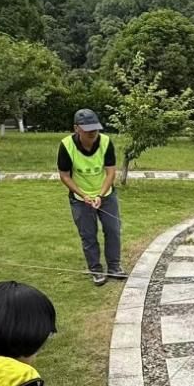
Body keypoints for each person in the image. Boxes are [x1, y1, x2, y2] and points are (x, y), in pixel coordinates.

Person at [57, 108, 123, 286]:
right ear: (76, 128)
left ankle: (114, 267)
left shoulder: (105, 142)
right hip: (80, 199)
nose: (93, 132)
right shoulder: (66, 145)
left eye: (95, 128)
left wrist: (100, 194)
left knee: (113, 230)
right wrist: (83, 195)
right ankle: (95, 269)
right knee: (88, 235)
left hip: (106, 195)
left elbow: (110, 172)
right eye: (88, 130)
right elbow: (65, 176)